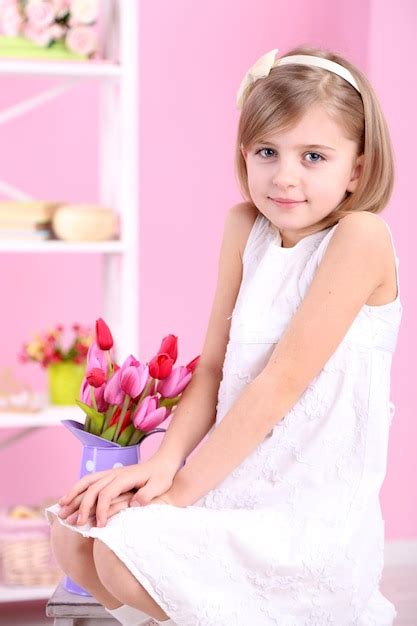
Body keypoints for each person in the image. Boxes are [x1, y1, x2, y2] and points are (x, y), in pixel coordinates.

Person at [45, 45, 402, 626]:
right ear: (245, 154)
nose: (284, 176)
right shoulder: (245, 228)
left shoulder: (361, 236)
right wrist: (161, 466)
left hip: (306, 513)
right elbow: (212, 368)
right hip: (227, 483)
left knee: (117, 558)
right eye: (268, 152)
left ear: (357, 169)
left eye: (314, 156)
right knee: (74, 536)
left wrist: (178, 491)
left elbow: (281, 382)